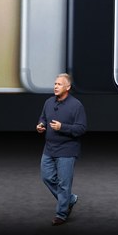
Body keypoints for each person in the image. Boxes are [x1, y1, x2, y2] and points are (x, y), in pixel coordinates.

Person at [36, 72, 88, 226]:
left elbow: (81, 128)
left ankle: (61, 214)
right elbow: (43, 118)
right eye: (55, 84)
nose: (55, 87)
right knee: (47, 177)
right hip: (49, 149)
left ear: (68, 87)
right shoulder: (48, 102)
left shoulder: (76, 105)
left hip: (67, 150)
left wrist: (62, 127)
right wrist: (41, 125)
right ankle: (69, 199)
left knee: (64, 183)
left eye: (59, 84)